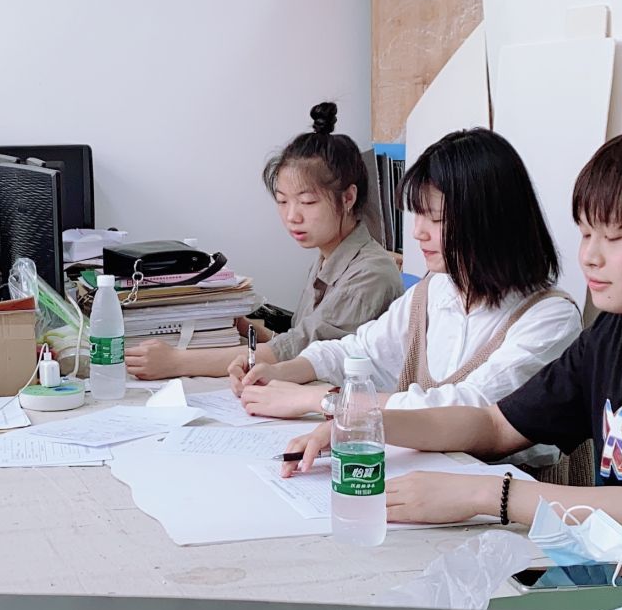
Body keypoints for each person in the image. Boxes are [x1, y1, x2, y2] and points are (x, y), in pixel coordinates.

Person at [280, 129, 622, 565]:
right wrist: (366, 423)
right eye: (586, 233)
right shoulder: (617, 332)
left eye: (614, 237)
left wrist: (493, 497)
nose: (589, 256)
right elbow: (496, 425)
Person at [230, 128, 581, 421]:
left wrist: (319, 400)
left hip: (506, 480)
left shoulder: (549, 318)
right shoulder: (436, 290)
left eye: (436, 218)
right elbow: (359, 350)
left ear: (490, 219)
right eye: (417, 215)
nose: (417, 233)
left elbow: (467, 407)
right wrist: (281, 371)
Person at [125, 102, 402, 379]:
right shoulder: (329, 254)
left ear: (348, 198)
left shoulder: (369, 274)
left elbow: (304, 356)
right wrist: (259, 333)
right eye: (282, 201)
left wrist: (177, 362)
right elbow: (305, 341)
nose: (292, 216)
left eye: (307, 202)